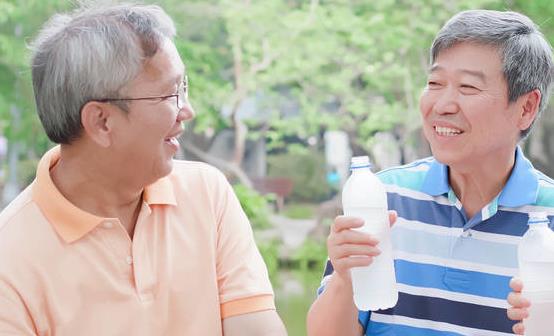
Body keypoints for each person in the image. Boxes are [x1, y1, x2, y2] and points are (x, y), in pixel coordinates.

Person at [0, 3, 287, 336]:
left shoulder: (207, 194)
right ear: (102, 121)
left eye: (184, 87)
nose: (187, 111)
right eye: (170, 93)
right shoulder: (10, 259)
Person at [307, 9, 553, 336]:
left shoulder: (547, 219)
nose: (442, 104)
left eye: (467, 87)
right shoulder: (382, 196)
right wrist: (343, 276)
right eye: (435, 83)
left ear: (526, 108)